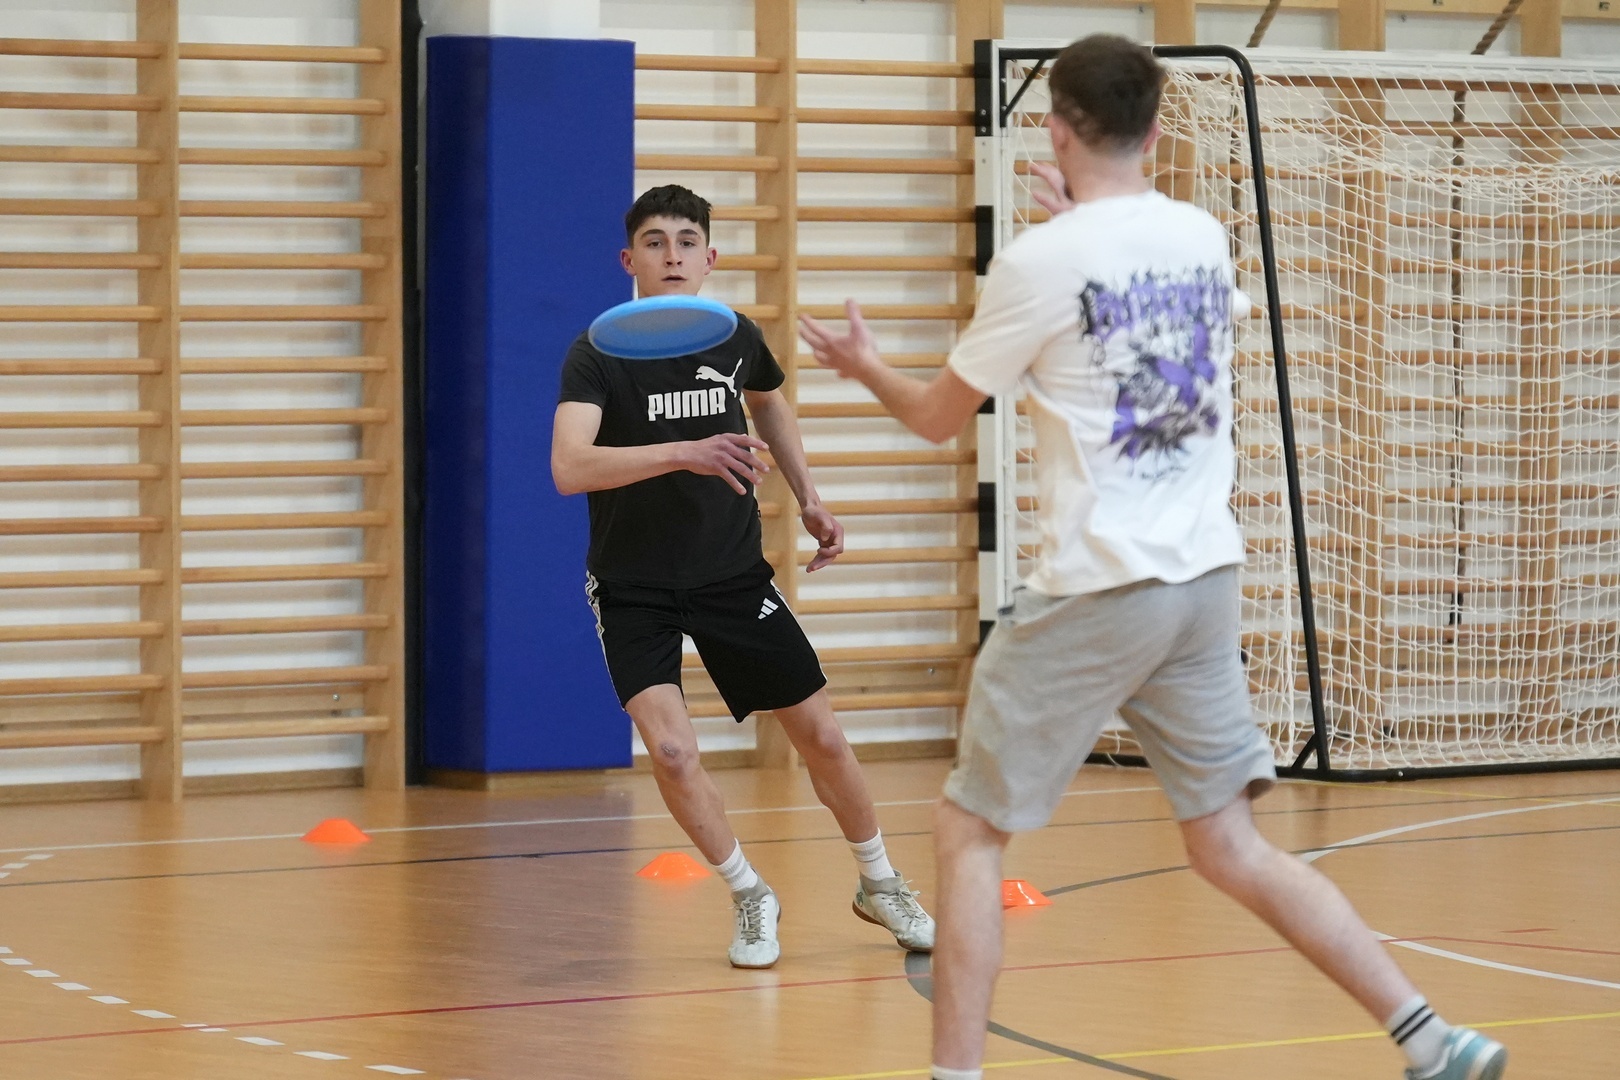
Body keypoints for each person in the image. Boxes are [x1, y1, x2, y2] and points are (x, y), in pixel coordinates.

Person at [798, 35, 1505, 1080]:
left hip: (1099, 586)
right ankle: (1434, 1039)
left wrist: (865, 366)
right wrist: (1076, 226)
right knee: (1229, 845)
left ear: (1055, 131)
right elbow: (1126, 295)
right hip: (1204, 583)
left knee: (968, 832)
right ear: (1157, 132)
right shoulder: (1198, 235)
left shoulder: (1040, 262)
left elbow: (938, 418)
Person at [551, 184, 935, 970]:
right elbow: (569, 467)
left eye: (687, 241)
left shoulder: (734, 337)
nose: (672, 256)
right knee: (671, 752)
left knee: (822, 736)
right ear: (628, 260)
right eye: (654, 242)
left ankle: (880, 881)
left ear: (710, 257)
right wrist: (684, 452)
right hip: (631, 587)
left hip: (731, 576)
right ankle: (749, 892)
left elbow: (769, 404)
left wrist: (810, 498)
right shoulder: (596, 351)